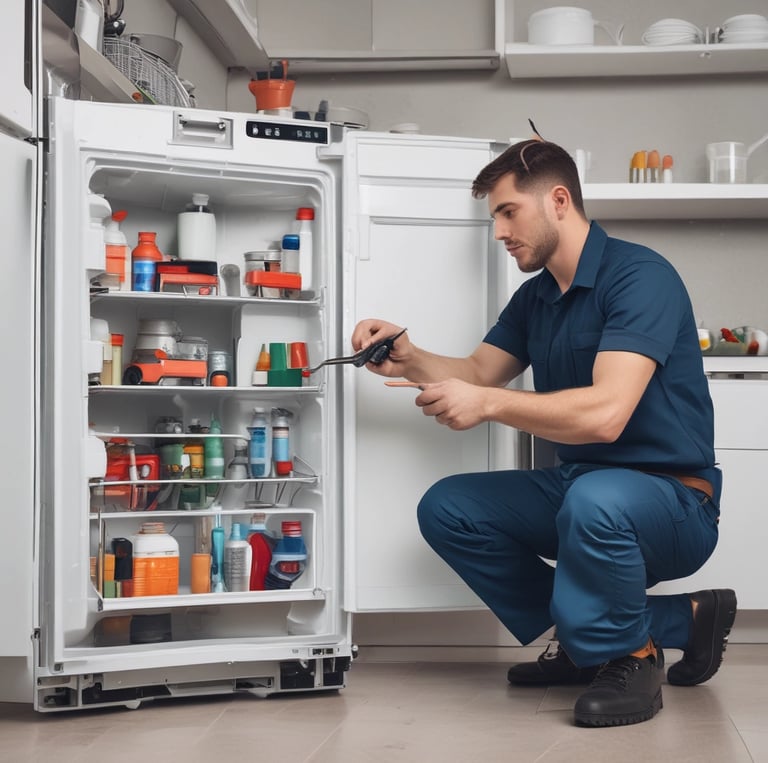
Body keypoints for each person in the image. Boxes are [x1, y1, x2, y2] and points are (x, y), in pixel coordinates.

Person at [351, 139, 737, 728]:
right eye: (495, 218)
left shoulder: (641, 278)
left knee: (595, 498)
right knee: (449, 507)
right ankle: (636, 632)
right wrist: (408, 356)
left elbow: (606, 414)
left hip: (674, 501)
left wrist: (486, 405)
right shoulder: (535, 298)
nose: (500, 231)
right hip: (584, 490)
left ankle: (630, 655)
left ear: (558, 200)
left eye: (509, 212)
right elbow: (479, 373)